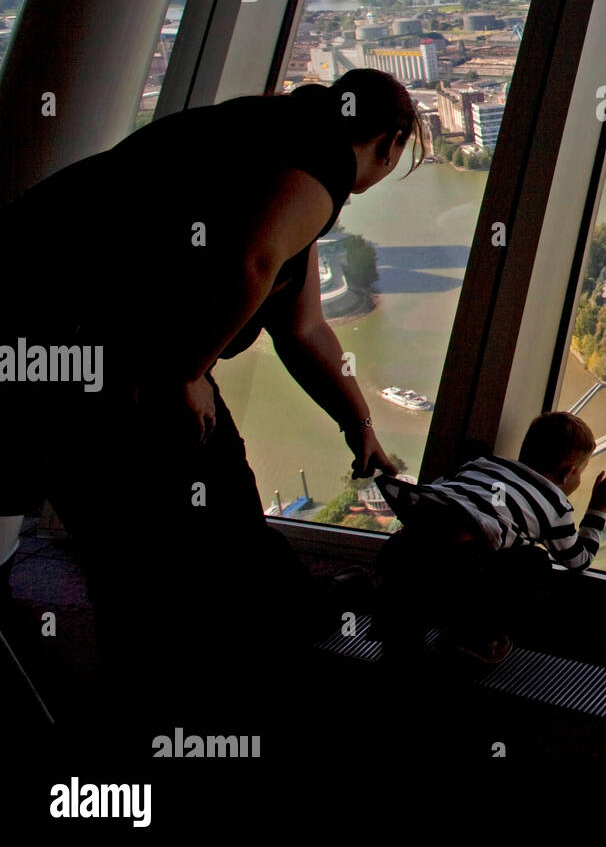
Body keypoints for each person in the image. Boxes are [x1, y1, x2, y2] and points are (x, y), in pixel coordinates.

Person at [0, 68, 421, 723]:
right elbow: (250, 262)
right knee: (164, 544)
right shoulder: (317, 165)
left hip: (63, 334)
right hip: (90, 350)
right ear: (390, 142)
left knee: (187, 527)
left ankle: (212, 678)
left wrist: (358, 422)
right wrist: (184, 373)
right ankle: (186, 710)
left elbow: (302, 325)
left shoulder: (272, 148)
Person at [374, 412, 606, 664]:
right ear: (568, 473)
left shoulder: (482, 463)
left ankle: (392, 622)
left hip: (400, 553)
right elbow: (578, 559)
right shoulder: (554, 503)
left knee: (402, 643)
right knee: (534, 562)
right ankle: (472, 638)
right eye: (581, 472)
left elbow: (442, 493)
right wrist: (598, 507)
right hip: (456, 575)